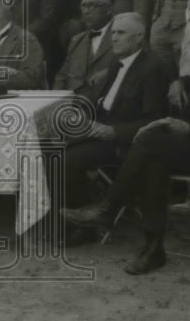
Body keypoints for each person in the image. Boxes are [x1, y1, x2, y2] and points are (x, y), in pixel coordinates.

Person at [61, 3, 190, 274]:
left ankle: (110, 207)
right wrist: (177, 81)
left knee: (150, 143)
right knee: (152, 162)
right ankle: (153, 249)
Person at [47, 12, 168, 245]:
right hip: (101, 131)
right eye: (113, 32)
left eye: (120, 33)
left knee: (65, 161)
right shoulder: (117, 63)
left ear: (139, 37)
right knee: (49, 148)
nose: (113, 38)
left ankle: (82, 227)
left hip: (127, 142)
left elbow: (155, 120)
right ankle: (71, 218)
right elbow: (104, 103)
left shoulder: (152, 69)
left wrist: (114, 132)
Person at [52, 0, 118, 99]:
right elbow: (62, 77)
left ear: (109, 9)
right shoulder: (76, 40)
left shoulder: (122, 36)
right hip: (72, 107)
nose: (86, 11)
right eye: (84, 6)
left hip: (104, 108)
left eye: (93, 6)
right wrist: (55, 101)